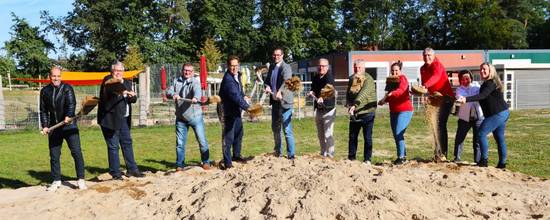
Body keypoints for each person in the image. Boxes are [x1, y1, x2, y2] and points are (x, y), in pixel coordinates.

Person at [40, 66, 87, 191]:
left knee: (76, 152)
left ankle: (81, 179)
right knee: (54, 155)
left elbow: (71, 104)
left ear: (61, 76)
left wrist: (68, 115)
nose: (56, 78)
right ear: (50, 77)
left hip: (69, 126)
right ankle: (56, 180)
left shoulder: (67, 88)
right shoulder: (45, 91)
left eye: (58, 76)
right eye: (54, 76)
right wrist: (45, 125)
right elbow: (43, 110)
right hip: (54, 127)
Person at [457, 63, 509, 168]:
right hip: (502, 112)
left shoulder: (490, 82)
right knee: (499, 138)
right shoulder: (487, 83)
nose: (482, 71)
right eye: (480, 69)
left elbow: (482, 95)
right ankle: (502, 164)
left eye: (484, 69)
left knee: (481, 134)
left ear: (490, 71)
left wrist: (466, 99)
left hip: (497, 114)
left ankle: (484, 161)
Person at [97, 61, 144, 179]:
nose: (118, 73)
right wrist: (124, 92)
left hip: (124, 118)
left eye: (120, 71)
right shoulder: (108, 80)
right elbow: (113, 90)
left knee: (127, 142)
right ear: (111, 71)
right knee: (113, 146)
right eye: (116, 71)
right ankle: (115, 173)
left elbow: (133, 100)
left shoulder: (127, 82)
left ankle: (132, 169)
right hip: (110, 119)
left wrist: (132, 95)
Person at [166, 63, 211, 171]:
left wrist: (196, 97)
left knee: (202, 141)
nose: (187, 72)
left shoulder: (195, 82)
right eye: (185, 70)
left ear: (192, 72)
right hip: (181, 118)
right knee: (180, 143)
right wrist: (173, 95)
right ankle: (180, 165)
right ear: (182, 70)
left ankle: (206, 162)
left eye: (190, 71)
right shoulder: (176, 81)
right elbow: (168, 91)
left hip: (195, 117)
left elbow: (197, 91)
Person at [420, 47, 454, 162]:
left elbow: (436, 77)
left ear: (433, 56)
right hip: (434, 98)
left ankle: (443, 154)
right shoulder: (422, 68)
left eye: (429, 55)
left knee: (440, 124)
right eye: (425, 55)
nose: (427, 57)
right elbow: (424, 84)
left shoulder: (437, 65)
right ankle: (437, 153)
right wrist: (422, 94)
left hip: (446, 98)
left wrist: (425, 86)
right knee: (434, 126)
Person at [378, 61, 413, 165]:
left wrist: (393, 93)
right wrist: (383, 100)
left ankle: (401, 157)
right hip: (393, 111)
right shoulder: (391, 81)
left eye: (396, 70)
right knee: (396, 134)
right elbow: (389, 95)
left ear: (400, 71)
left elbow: (401, 90)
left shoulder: (403, 78)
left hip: (405, 110)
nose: (394, 72)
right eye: (392, 71)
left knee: (398, 133)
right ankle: (403, 155)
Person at [219, 55, 250, 169]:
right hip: (226, 111)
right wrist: (247, 108)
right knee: (228, 137)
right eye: (232, 66)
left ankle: (236, 155)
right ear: (228, 66)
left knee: (239, 133)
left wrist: (244, 96)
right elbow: (234, 95)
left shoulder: (237, 76)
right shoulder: (228, 80)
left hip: (235, 109)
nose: (234, 68)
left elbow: (239, 92)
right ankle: (228, 163)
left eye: (236, 65)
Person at [264, 48, 296, 159]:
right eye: (274, 55)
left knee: (287, 129)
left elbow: (286, 81)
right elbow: (267, 80)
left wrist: (280, 91)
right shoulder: (272, 67)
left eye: (278, 55)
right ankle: (278, 151)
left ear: (282, 55)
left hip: (285, 102)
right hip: (275, 103)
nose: (276, 57)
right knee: (275, 128)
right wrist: (267, 86)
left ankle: (291, 154)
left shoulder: (286, 67)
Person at [346, 60, 377, 164]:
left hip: (367, 112)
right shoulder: (352, 78)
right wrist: (348, 103)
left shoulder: (369, 79)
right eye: (355, 67)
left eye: (359, 67)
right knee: (352, 136)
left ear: (364, 68)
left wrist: (355, 105)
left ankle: (367, 159)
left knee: (367, 137)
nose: (357, 69)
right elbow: (349, 92)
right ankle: (351, 158)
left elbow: (363, 94)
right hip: (355, 112)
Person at [453, 70, 484, 163]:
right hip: (464, 118)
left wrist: (469, 98)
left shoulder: (476, 86)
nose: (465, 80)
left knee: (477, 140)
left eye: (467, 78)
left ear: (471, 78)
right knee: (460, 138)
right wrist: (471, 98)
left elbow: (480, 96)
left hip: (478, 117)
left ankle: (477, 160)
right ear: (460, 80)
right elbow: (460, 98)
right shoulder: (459, 90)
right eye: (462, 79)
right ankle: (457, 158)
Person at [308, 58, 336, 158]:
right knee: (320, 135)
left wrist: (322, 97)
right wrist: (312, 92)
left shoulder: (329, 77)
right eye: (319, 66)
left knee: (328, 134)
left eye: (323, 66)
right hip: (319, 110)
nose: (321, 68)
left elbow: (329, 89)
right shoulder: (315, 77)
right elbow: (313, 88)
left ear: (327, 67)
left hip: (328, 110)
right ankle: (323, 153)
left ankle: (330, 155)